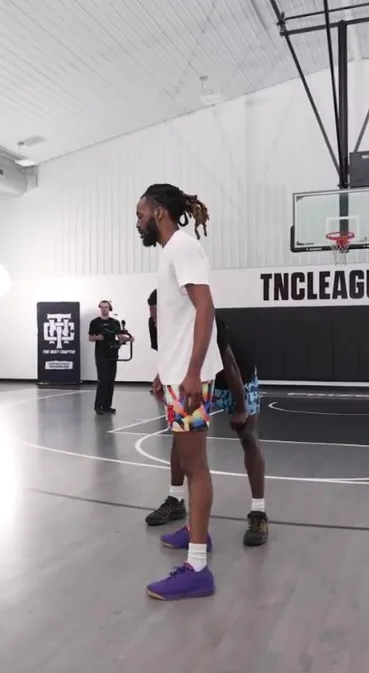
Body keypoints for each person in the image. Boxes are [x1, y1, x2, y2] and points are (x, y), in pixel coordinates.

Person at [138, 183, 223, 601]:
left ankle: (198, 569)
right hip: (177, 374)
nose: (138, 222)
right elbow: (180, 319)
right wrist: (165, 370)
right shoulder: (172, 251)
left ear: (159, 213)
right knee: (189, 463)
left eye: (141, 214)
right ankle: (195, 531)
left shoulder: (184, 247)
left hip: (191, 376)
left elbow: (205, 307)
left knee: (196, 466)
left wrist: (191, 371)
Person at [144, 290, 269, 547]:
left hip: (236, 378)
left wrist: (239, 408)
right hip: (198, 379)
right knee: (181, 436)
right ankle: (175, 500)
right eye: (153, 318)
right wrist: (161, 376)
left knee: (247, 436)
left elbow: (231, 366)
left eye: (159, 317)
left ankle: (258, 513)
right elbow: (169, 352)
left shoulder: (208, 323)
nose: (156, 322)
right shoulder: (157, 323)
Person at [88, 300, 130, 415]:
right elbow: (90, 338)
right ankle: (98, 406)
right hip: (101, 354)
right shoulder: (95, 322)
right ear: (100, 308)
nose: (104, 309)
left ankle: (107, 406)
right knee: (102, 380)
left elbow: (119, 336)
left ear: (109, 308)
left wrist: (128, 338)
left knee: (111, 380)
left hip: (112, 353)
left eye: (106, 307)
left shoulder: (115, 322)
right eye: (102, 307)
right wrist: (97, 338)